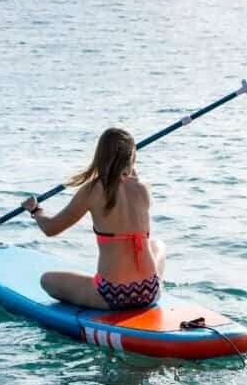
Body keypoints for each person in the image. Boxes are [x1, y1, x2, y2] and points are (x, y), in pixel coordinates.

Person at [21, 127, 166, 310]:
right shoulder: (144, 189)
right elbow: (126, 181)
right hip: (150, 292)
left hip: (113, 296)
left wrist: (35, 210)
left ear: (100, 156)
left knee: (46, 280)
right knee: (158, 245)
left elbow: (51, 228)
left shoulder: (92, 190)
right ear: (132, 157)